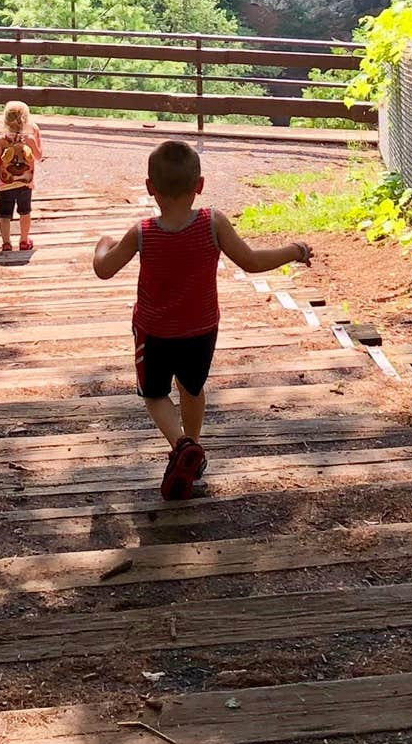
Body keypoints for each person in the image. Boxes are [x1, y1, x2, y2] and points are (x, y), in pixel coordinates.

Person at [93, 137, 313, 500]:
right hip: (201, 330)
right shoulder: (213, 223)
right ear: (200, 186)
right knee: (192, 389)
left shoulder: (142, 233)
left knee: (155, 394)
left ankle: (181, 446)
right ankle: (192, 448)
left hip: (155, 333)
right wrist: (295, 250)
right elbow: (252, 261)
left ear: (150, 188)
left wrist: (102, 244)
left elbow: (104, 269)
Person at [0, 99, 44, 253]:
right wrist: (38, 137)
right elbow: (38, 156)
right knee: (25, 212)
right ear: (27, 120)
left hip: (5, 184)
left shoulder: (1, 141)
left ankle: (6, 243)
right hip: (25, 183)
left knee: (4, 214)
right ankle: (24, 240)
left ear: (5, 120)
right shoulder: (29, 139)